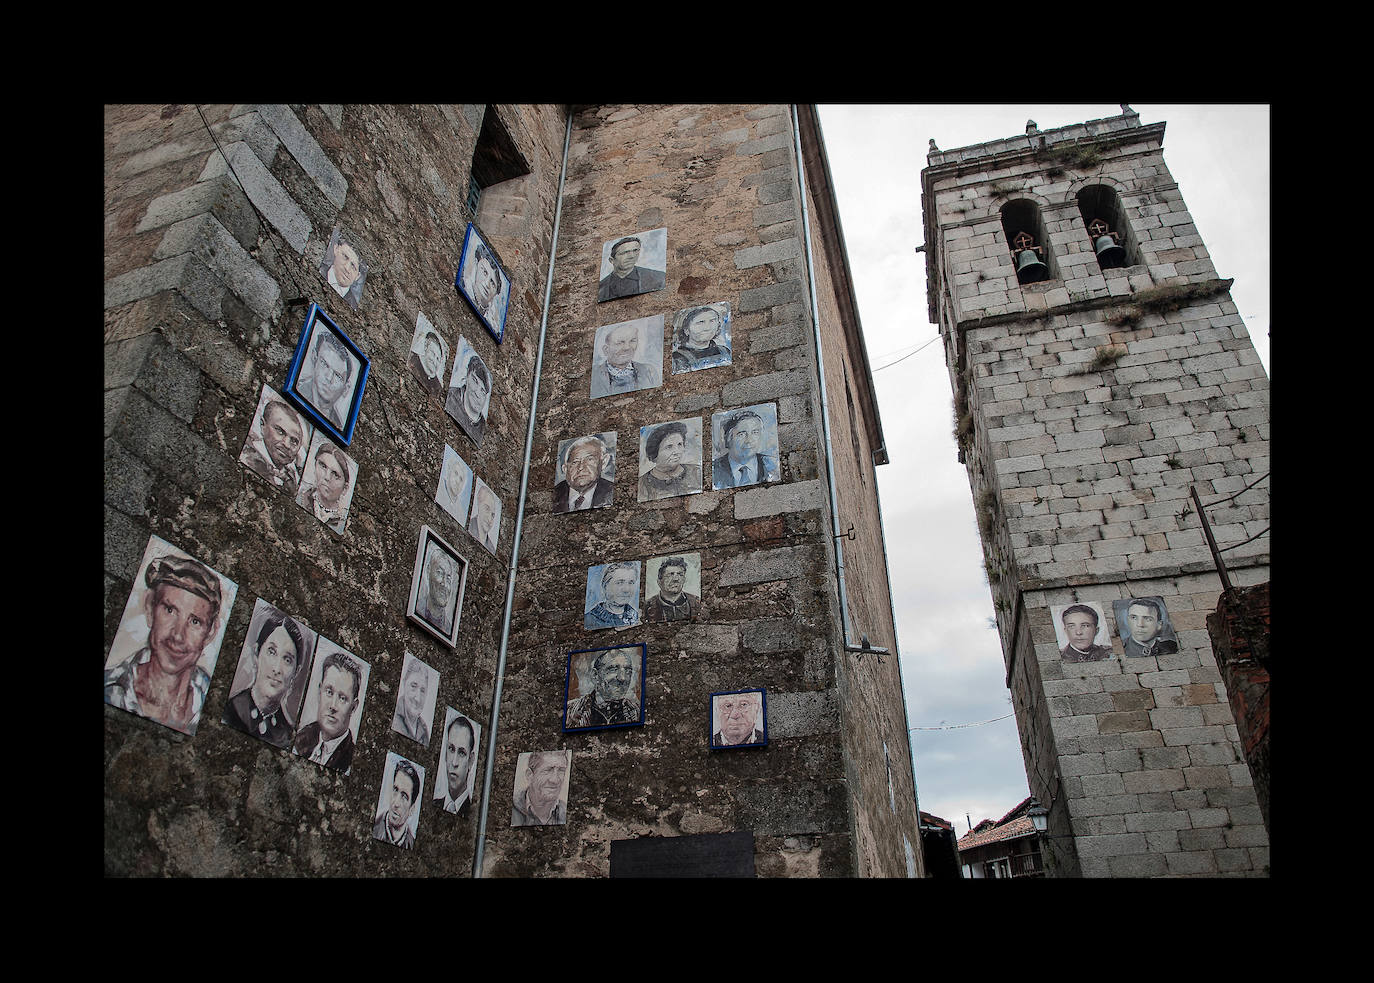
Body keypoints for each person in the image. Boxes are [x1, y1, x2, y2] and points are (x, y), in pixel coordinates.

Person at [105, 554, 225, 734]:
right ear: (149, 608)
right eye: (170, 610)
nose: (177, 635)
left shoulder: (211, 700)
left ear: (210, 633)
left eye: (195, 622)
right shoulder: (112, 687)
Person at [223, 610, 308, 748]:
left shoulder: (287, 733)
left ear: (296, 672)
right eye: (271, 652)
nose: (277, 668)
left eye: (287, 659)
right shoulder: (232, 712)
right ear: (256, 653)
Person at [292, 651, 363, 772]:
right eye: (329, 692)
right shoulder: (301, 738)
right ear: (320, 692)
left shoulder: (351, 760)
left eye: (342, 698)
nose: (333, 706)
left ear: (354, 707)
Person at [240, 398, 307, 495]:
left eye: (294, 441)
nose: (287, 445)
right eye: (280, 431)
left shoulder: (292, 478)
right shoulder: (248, 456)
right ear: (262, 425)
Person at [565, 647, 640, 729]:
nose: (622, 678)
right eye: (613, 669)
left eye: (628, 671)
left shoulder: (636, 711)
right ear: (595, 676)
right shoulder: (570, 711)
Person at [296, 330, 354, 432]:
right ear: (314, 358)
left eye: (337, 376)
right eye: (324, 364)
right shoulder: (298, 390)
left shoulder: (338, 425)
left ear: (346, 388)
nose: (329, 378)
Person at [590, 321, 661, 398]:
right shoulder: (595, 375)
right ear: (606, 349)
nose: (627, 347)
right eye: (620, 343)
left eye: (632, 341)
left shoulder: (649, 371)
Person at [712, 409, 779, 489]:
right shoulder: (714, 469)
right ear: (728, 439)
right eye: (741, 434)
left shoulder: (772, 464)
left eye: (755, 432)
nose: (749, 440)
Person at [296, 441, 352, 533]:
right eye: (323, 466)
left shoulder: (341, 521)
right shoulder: (301, 497)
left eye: (335, 474)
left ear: (345, 488)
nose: (327, 477)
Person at [638, 421, 697, 501]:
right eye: (669, 447)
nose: (677, 452)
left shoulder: (696, 472)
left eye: (680, 444)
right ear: (655, 453)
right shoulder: (642, 484)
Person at [553, 435, 614, 513]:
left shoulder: (611, 491)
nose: (581, 467)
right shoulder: (556, 494)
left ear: (604, 462)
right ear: (565, 469)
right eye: (575, 462)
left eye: (589, 459)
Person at [597, 235, 665, 301]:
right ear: (612, 260)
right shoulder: (603, 286)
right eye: (625, 252)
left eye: (635, 250)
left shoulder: (658, 277)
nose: (632, 256)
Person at [511, 751, 569, 827]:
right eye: (547, 770)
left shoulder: (565, 812)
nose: (555, 780)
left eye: (561, 771)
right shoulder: (512, 807)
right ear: (529, 775)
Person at [373, 757, 421, 849]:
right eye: (395, 790)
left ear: (412, 809)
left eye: (404, 796)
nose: (396, 803)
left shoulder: (411, 844)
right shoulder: (375, 826)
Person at [643, 556, 705, 623]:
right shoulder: (648, 606)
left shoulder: (696, 602)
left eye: (680, 574)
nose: (676, 579)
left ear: (684, 580)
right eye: (670, 574)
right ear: (659, 582)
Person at [446, 353, 490, 444]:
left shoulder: (482, 426)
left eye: (483, 391)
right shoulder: (451, 397)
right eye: (475, 381)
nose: (477, 393)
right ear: (467, 378)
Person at [671, 305, 731, 373]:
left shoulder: (724, 351)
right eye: (700, 322)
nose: (707, 328)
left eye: (712, 321)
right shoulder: (677, 358)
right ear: (686, 330)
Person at [437, 714, 477, 816]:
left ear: (471, 760)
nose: (454, 762)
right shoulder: (436, 803)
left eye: (462, 753)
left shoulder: (471, 812)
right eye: (451, 749)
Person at [415, 545, 460, 636]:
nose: (444, 584)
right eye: (439, 573)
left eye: (448, 578)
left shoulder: (448, 627)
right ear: (428, 572)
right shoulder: (418, 607)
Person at [463, 241, 506, 330]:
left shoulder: (494, 325)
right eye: (484, 272)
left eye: (492, 283)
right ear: (476, 264)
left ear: (496, 292)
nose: (487, 285)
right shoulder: (463, 284)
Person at [392, 658, 433, 747]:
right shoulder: (394, 716)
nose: (417, 698)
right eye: (413, 686)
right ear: (404, 684)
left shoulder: (424, 728)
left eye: (422, 691)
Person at [585, 562, 639, 629]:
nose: (626, 589)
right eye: (619, 583)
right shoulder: (590, 618)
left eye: (631, 583)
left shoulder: (637, 616)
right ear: (605, 586)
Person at [320, 230, 364, 308]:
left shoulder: (352, 303)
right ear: (336, 249)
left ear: (357, 276)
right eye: (345, 257)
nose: (347, 268)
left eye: (353, 266)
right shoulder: (320, 269)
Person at [408, 330, 446, 397]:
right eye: (433, 353)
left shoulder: (437, 385)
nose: (434, 360)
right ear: (425, 347)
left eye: (438, 359)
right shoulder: (413, 361)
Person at [435, 452, 471, 523]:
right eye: (456, 473)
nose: (458, 481)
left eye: (461, 479)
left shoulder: (461, 513)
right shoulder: (438, 491)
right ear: (449, 471)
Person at [468, 483, 500, 554]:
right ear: (479, 504)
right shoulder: (469, 526)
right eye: (486, 509)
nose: (489, 519)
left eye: (492, 515)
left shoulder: (491, 549)